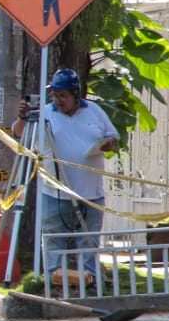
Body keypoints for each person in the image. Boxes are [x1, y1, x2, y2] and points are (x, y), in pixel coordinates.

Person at [11, 68, 118, 285]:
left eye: (63, 96)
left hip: (90, 191)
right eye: (55, 95)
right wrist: (23, 117)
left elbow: (113, 135)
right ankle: (54, 280)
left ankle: (90, 281)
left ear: (75, 94)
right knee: (54, 238)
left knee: (88, 240)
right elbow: (19, 134)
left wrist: (108, 144)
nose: (58, 100)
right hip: (55, 191)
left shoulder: (95, 111)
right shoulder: (44, 114)